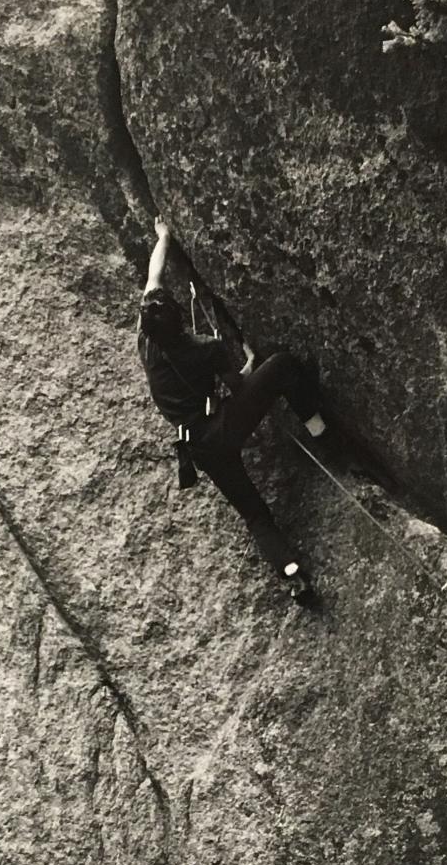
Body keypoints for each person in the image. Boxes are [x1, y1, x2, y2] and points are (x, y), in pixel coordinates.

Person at [137, 219, 327, 600]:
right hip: (225, 424)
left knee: (254, 513)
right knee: (284, 366)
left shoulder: (146, 341)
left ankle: (292, 574)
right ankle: (323, 435)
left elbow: (153, 273)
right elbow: (239, 385)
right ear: (177, 319)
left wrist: (164, 239)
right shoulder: (204, 347)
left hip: (198, 446)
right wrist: (252, 361)